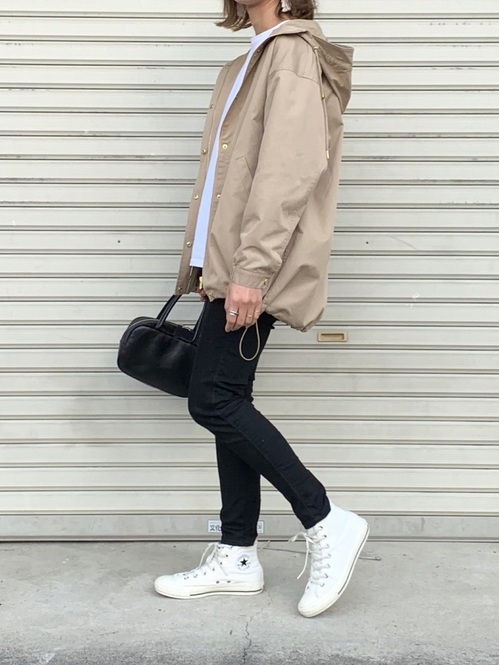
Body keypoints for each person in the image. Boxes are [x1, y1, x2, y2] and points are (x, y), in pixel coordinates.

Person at [154, 0, 369, 618]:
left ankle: (324, 519)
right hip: (227, 266)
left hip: (253, 266)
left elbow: (288, 172)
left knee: (213, 400)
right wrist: (209, 266)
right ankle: (237, 554)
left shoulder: (292, 52)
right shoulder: (245, 60)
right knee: (228, 400)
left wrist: (251, 270)